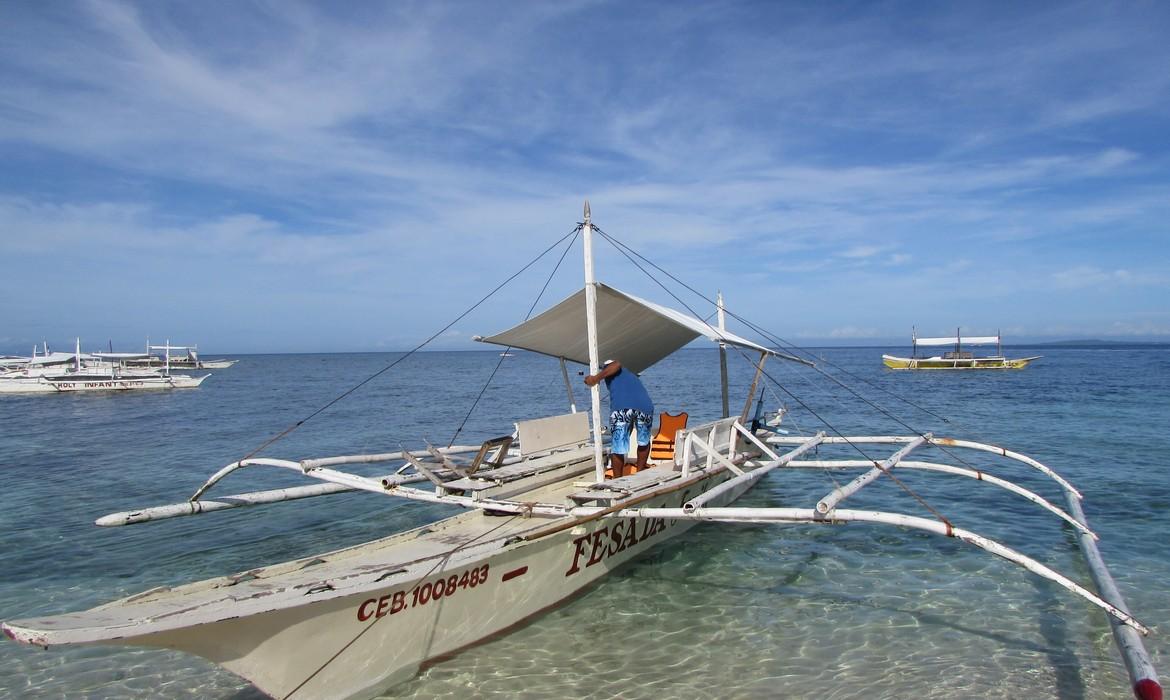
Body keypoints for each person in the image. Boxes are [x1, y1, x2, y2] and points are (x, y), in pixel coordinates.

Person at [583, 359, 654, 478]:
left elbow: (617, 364)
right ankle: (640, 474)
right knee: (643, 442)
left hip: (622, 409)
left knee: (618, 448)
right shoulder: (629, 375)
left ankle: (617, 480)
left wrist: (595, 379)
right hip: (645, 407)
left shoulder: (612, 367)